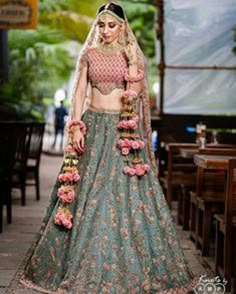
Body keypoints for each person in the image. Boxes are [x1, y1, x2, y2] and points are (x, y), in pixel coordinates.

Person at [7, 2, 196, 293]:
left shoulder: (130, 54)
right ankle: (79, 261)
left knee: (123, 194)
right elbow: (80, 92)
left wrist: (134, 70)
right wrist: (74, 127)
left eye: (111, 25)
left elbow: (135, 94)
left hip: (123, 132)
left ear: (122, 27)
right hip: (93, 127)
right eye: (101, 25)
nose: (105, 30)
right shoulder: (89, 54)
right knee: (87, 195)